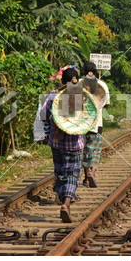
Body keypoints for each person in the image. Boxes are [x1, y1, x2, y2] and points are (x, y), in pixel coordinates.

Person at [42, 67, 85, 223]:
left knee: (60, 172)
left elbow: (44, 114)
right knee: (72, 174)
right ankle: (66, 203)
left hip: (56, 142)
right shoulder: (81, 96)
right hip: (74, 143)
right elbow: (88, 117)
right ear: (77, 80)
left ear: (61, 81)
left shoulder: (53, 95)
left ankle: (62, 197)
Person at [81, 62, 110, 188]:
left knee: (85, 150)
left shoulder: (79, 84)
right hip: (96, 123)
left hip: (80, 123)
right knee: (96, 150)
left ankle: (87, 177)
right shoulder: (102, 85)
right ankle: (92, 172)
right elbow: (106, 104)